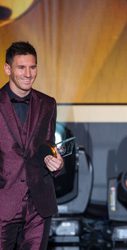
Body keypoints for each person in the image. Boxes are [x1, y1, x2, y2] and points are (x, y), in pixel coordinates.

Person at [0, 41, 64, 249]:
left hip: (38, 203)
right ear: (8, 69)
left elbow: (47, 145)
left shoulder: (48, 104)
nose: (28, 74)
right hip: (3, 202)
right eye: (21, 67)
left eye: (32, 67)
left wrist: (53, 160)